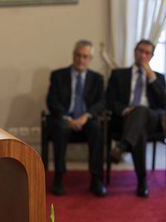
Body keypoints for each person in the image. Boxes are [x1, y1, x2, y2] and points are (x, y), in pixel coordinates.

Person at [106, 39, 166, 198]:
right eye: (140, 51)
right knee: (138, 132)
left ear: (152, 56)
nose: (143, 55)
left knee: (141, 111)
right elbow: (110, 100)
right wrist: (125, 110)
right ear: (135, 51)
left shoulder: (158, 78)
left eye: (147, 53)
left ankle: (122, 146)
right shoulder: (118, 74)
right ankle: (142, 182)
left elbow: (164, 103)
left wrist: (151, 77)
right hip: (126, 119)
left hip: (152, 120)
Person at [46, 40, 106, 197]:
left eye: (85, 56)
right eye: (78, 55)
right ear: (73, 55)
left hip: (86, 120)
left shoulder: (97, 78)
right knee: (60, 128)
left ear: (90, 59)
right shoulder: (58, 75)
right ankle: (59, 177)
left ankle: (96, 179)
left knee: (97, 128)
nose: (81, 59)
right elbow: (52, 101)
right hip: (64, 119)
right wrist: (67, 118)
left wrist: (85, 116)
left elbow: (101, 102)